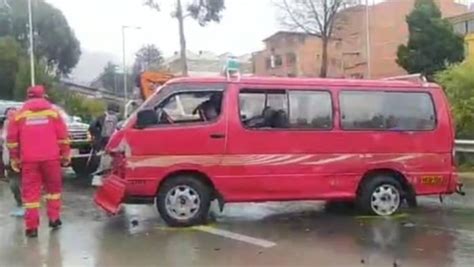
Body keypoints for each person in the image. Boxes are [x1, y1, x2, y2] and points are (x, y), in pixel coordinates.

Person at [6, 85, 71, 238]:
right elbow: (63, 136)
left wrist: (15, 158)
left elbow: (12, 140)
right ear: (43, 96)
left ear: (28, 97)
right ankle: (54, 219)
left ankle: (32, 228)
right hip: (51, 159)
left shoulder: (19, 115)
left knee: (31, 194)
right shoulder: (53, 113)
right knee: (53, 190)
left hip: (29, 160)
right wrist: (65, 154)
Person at [2, 107, 24, 217]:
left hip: (21, 157)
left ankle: (25, 204)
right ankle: (20, 202)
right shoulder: (5, 125)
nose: (11, 116)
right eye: (9, 114)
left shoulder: (22, 125)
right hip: (8, 158)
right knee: (13, 183)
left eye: (13, 114)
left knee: (22, 182)